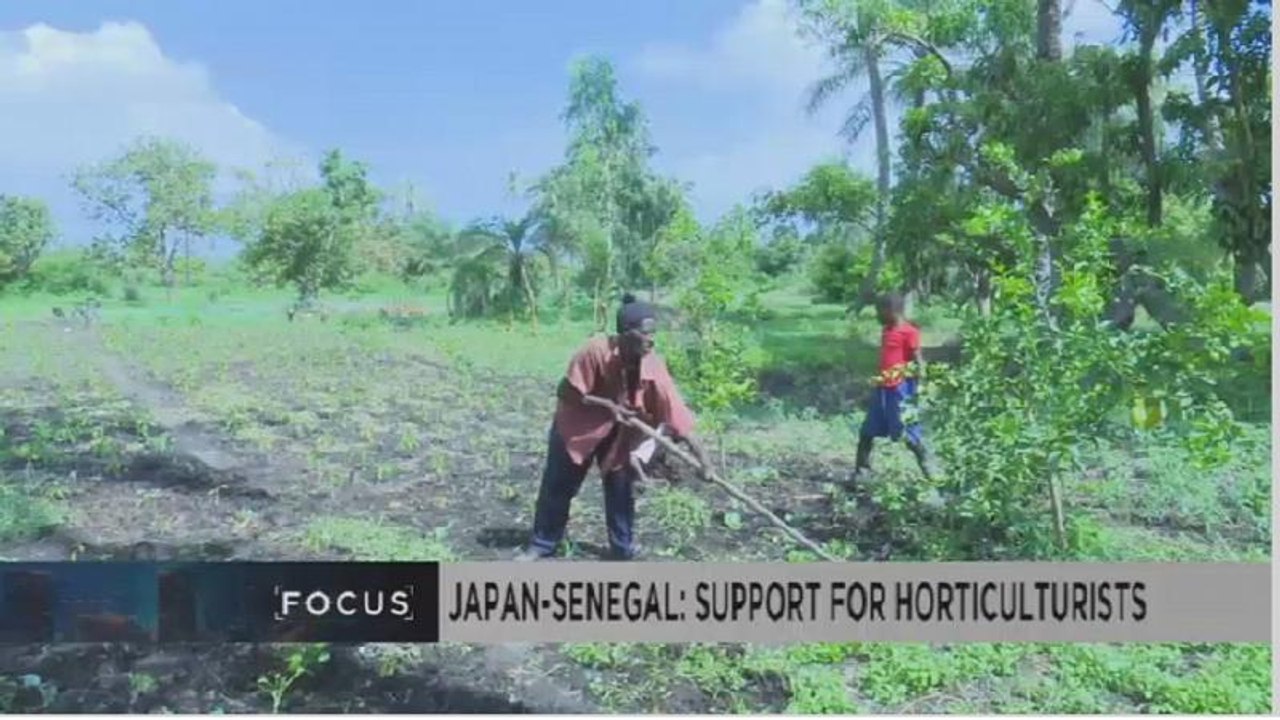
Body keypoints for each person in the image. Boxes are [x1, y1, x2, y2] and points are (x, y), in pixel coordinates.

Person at [516, 293, 711, 561]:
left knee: (621, 488)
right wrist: (608, 406)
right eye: (645, 333)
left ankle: (622, 548)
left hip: (619, 434)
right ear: (625, 333)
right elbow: (566, 390)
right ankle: (542, 543)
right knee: (559, 486)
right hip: (577, 426)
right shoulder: (594, 352)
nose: (651, 339)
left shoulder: (654, 366)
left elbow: (680, 420)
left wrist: (705, 464)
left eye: (654, 332)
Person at [852, 292, 936, 483]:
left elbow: (918, 361)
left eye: (878, 311)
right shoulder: (886, 330)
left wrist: (919, 387)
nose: (876, 315)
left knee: (908, 433)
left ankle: (932, 474)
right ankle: (861, 472)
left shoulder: (909, 332)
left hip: (900, 390)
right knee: (867, 431)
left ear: (890, 310)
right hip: (882, 388)